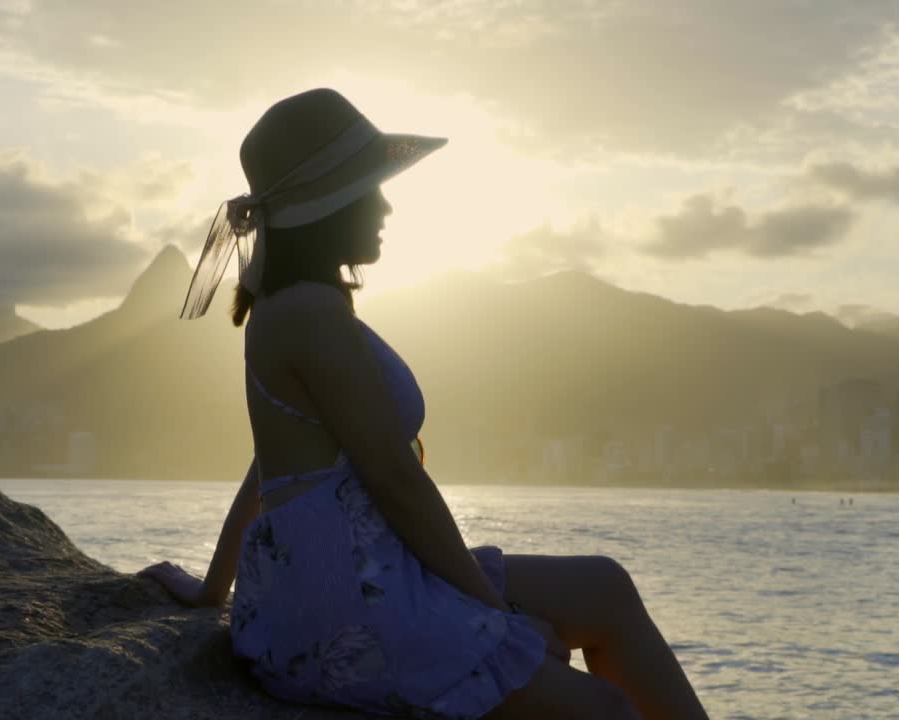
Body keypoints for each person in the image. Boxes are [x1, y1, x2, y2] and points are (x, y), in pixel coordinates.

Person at [140, 88, 708, 720]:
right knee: (603, 710)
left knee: (605, 587)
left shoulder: (300, 306)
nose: (386, 205)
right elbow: (394, 480)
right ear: (332, 205)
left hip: (357, 573)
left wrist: (215, 587)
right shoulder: (310, 314)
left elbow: (271, 466)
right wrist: (496, 621)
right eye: (371, 189)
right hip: (343, 607)